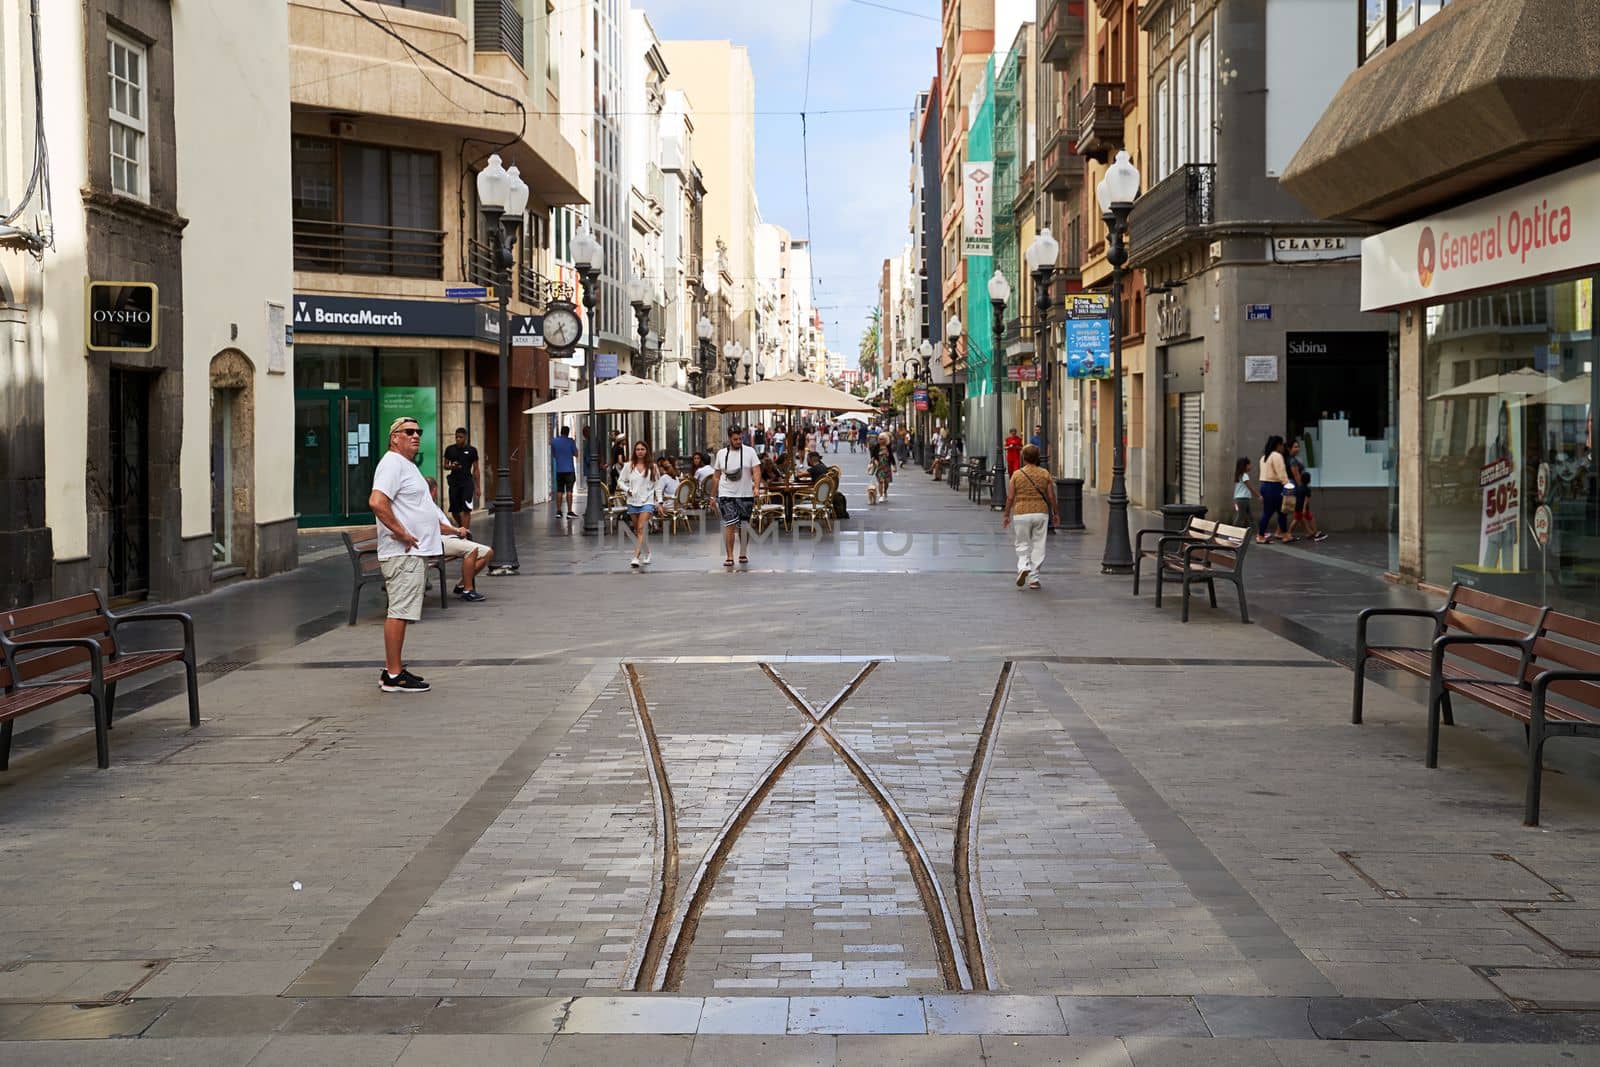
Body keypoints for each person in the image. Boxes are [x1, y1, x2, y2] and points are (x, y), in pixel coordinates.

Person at [368, 416, 441, 693]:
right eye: (408, 431)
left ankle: (393, 668)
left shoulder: (404, 465)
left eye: (418, 431)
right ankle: (393, 675)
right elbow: (377, 501)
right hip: (402, 554)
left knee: (402, 612)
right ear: (394, 437)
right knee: (398, 612)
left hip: (410, 553)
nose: (415, 435)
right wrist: (401, 532)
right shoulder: (391, 464)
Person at [1002, 443, 1058, 590]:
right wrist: (1056, 513)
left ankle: (1023, 566)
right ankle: (1033, 579)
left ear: (1023, 458)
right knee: (1038, 545)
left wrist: (1006, 514)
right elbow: (1051, 496)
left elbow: (1010, 497)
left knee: (1022, 543)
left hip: (1021, 512)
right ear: (1037, 457)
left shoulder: (1017, 474)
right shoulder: (1044, 473)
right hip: (1041, 512)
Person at [426, 478, 492, 601]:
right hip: (440, 541)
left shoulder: (431, 504)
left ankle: (461, 584)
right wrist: (457, 530)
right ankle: (468, 590)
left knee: (487, 552)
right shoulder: (425, 505)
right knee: (472, 549)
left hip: (447, 538)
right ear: (434, 490)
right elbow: (438, 528)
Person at [710, 426, 762, 567]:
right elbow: (716, 476)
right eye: (735, 439)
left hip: (745, 494)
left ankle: (743, 552)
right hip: (726, 494)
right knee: (730, 524)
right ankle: (729, 556)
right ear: (729, 439)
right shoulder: (721, 454)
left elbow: (756, 471)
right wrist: (712, 496)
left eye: (740, 438)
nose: (738, 441)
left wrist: (756, 487)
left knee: (743, 526)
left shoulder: (750, 452)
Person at [619, 441, 660, 568]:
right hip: (632, 501)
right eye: (638, 449)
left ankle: (635, 557)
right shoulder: (628, 466)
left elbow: (657, 486)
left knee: (641, 528)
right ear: (634, 451)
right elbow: (620, 481)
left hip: (647, 501)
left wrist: (659, 502)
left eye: (642, 449)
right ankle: (647, 551)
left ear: (646, 451)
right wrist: (627, 490)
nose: (640, 451)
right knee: (638, 530)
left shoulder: (652, 467)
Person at [442, 427, 480, 532]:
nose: (458, 439)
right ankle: (461, 528)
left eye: (460, 437)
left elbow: (476, 469)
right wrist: (452, 467)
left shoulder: (472, 450)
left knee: (466, 509)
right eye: (456, 437)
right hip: (454, 482)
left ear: (465, 437)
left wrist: (478, 487)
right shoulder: (450, 449)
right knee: (454, 510)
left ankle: (466, 533)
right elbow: (445, 465)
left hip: (467, 482)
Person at [1256, 435, 1293, 544]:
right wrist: (1287, 484)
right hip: (1275, 486)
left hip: (1264, 486)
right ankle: (1262, 535)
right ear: (1278, 445)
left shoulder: (1263, 457)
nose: (1283, 447)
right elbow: (1281, 472)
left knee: (1272, 512)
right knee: (1279, 511)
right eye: (1282, 444)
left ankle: (1283, 534)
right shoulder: (1277, 456)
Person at [1287, 463, 1329, 543]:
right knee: (1306, 519)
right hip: (1303, 508)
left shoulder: (1299, 488)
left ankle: (1310, 532)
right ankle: (1315, 533)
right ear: (1309, 480)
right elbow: (1306, 499)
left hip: (1297, 507)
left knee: (1298, 519)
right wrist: (1304, 509)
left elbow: (1296, 497)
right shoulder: (1307, 489)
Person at [551, 425, 579, 518]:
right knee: (569, 491)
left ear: (561, 432)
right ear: (568, 432)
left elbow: (554, 455)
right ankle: (570, 511)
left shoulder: (554, 441)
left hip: (559, 470)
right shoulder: (571, 441)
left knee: (559, 490)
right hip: (569, 470)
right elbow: (576, 454)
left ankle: (558, 511)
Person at [1232, 457, 1258, 530]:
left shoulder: (1239, 475)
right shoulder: (1244, 475)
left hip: (1239, 499)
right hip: (1243, 499)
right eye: (1249, 464)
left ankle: (1258, 533)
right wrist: (1258, 496)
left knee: (1249, 517)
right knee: (1240, 517)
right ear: (1245, 466)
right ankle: (1233, 533)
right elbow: (1250, 487)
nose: (1250, 466)